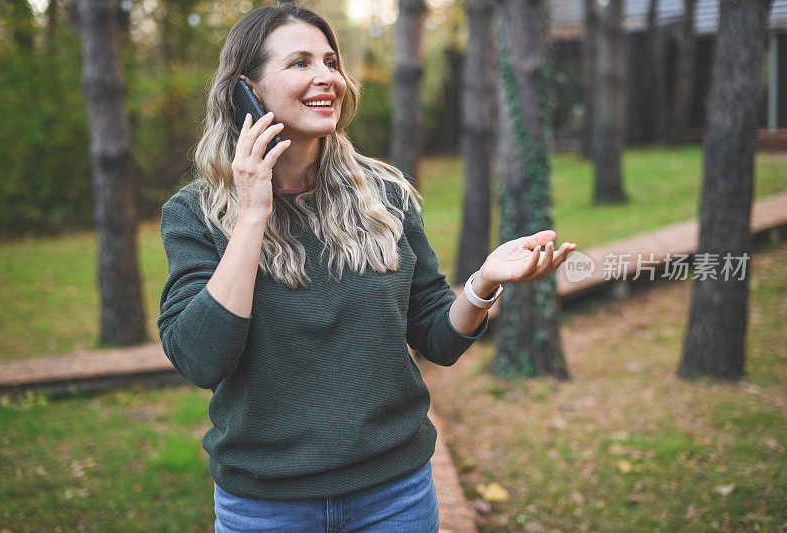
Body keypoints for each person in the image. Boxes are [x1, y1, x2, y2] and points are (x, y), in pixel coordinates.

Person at [158, 2, 577, 531]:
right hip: (266, 508)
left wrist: (484, 282)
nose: (326, 77)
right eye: (300, 63)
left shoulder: (383, 196)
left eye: (331, 61)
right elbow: (199, 359)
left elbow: (437, 339)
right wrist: (252, 215)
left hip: (394, 498)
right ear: (247, 89)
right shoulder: (195, 214)